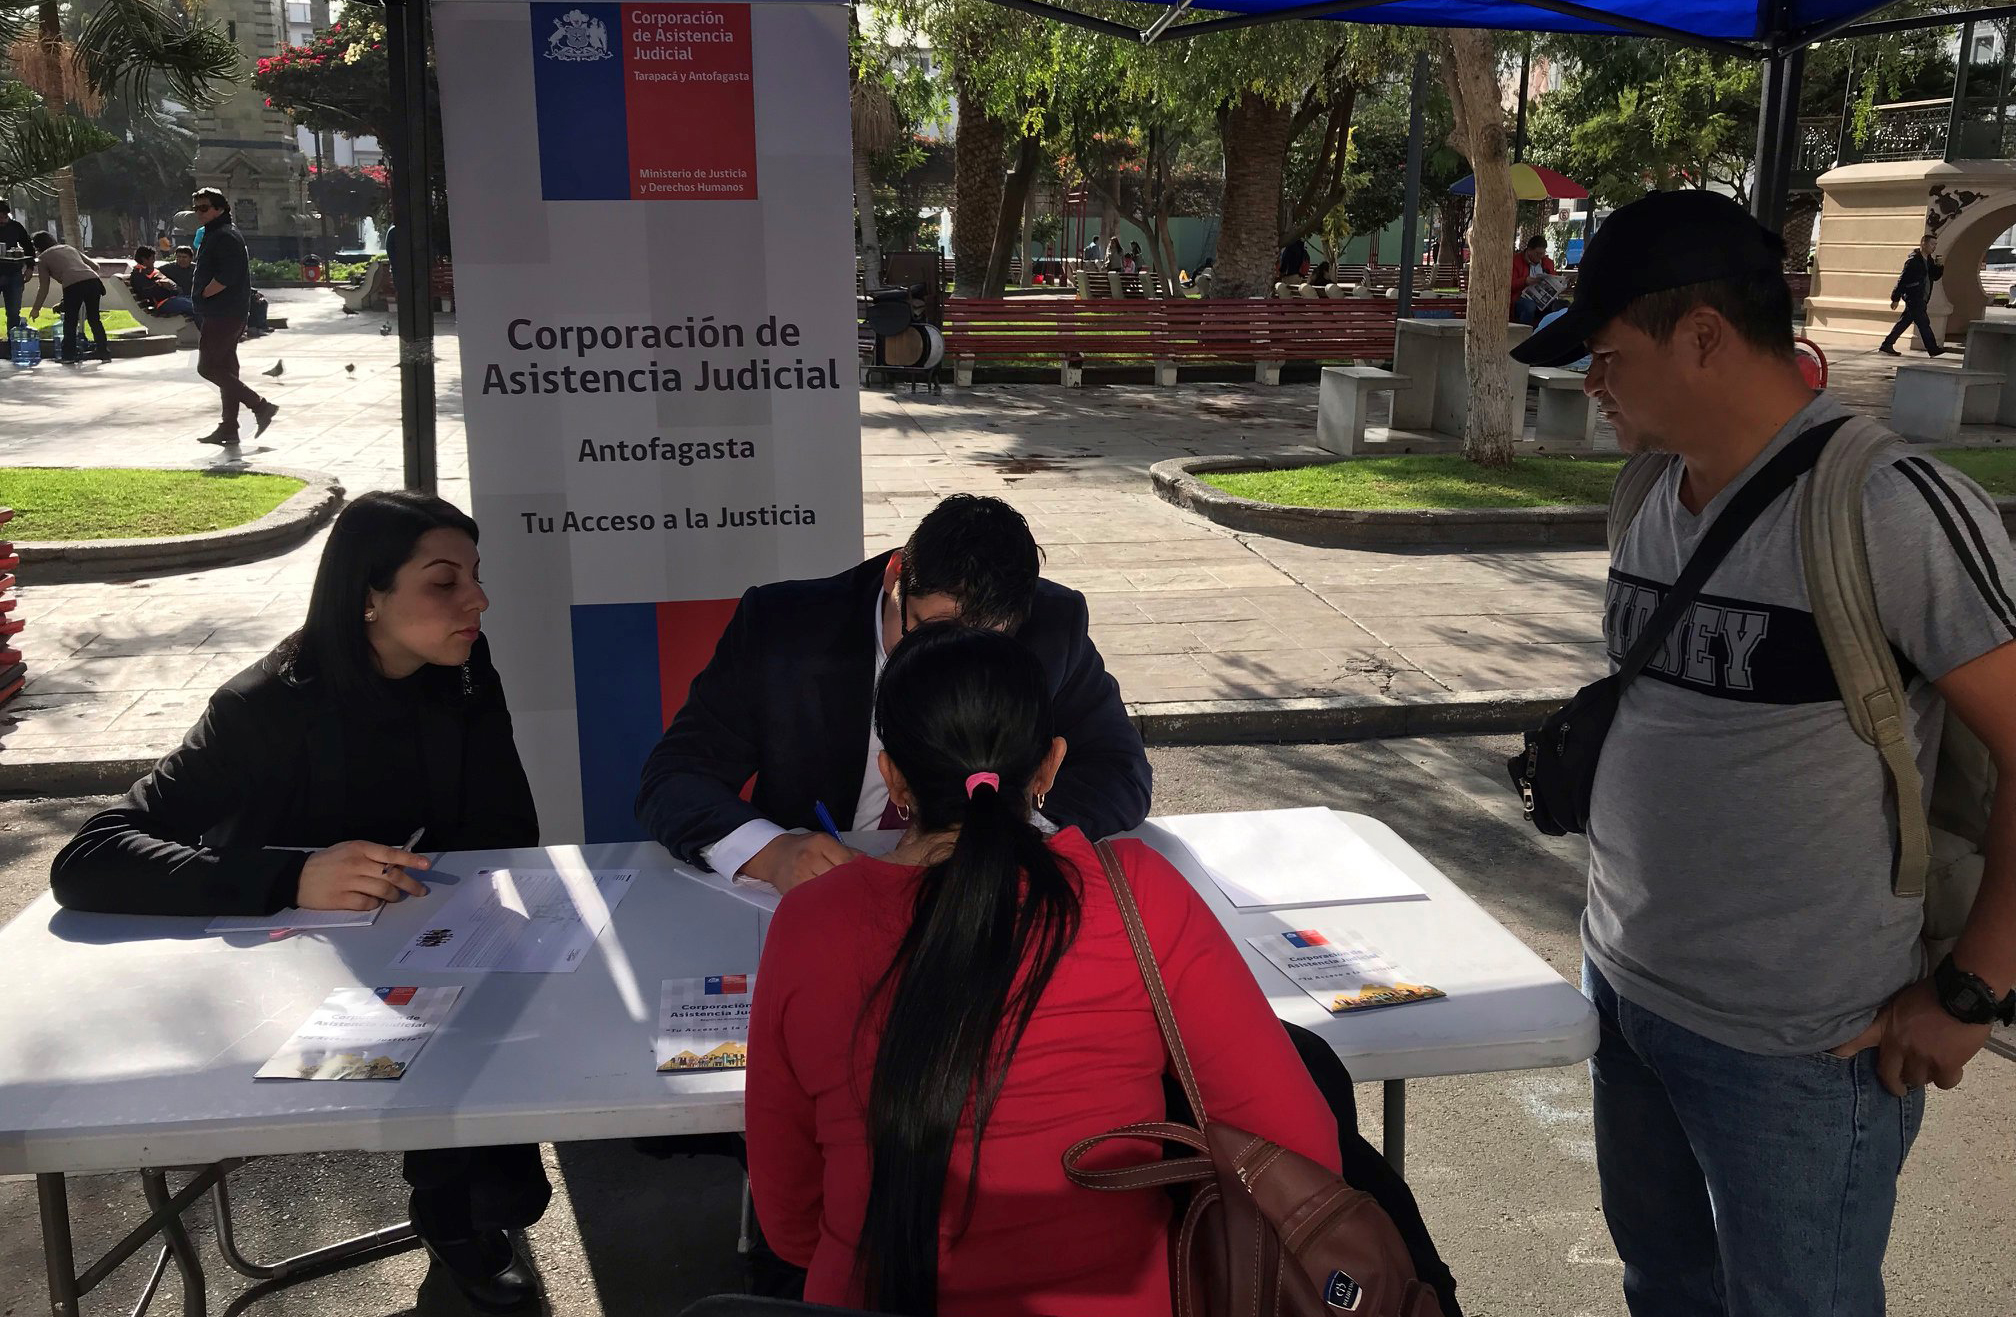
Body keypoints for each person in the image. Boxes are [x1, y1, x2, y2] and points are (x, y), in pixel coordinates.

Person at [1512, 188, 2016, 1317]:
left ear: (1700, 337)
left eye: (1603, 354)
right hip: (1628, 990)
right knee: (1667, 1287)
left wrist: (1973, 992)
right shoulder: (1648, 485)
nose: (1591, 384)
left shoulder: (1884, 507)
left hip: (1806, 1047)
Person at [49, 490, 553, 1314]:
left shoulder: (462, 667)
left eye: (476, 576)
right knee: (454, 1039)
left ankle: (468, 1209)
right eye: (443, 582)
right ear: (367, 597)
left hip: (422, 958)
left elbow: (505, 825)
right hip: (272, 989)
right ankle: (456, 1219)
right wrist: (290, 877)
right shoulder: (261, 707)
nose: (478, 599)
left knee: (503, 1008)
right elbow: (90, 855)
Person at [745, 624, 1342, 1316]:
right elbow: (1302, 1149)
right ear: (1050, 766)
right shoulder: (1136, 892)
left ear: (894, 776)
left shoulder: (808, 922)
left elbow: (789, 1225)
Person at [635, 494, 1152, 896]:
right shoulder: (782, 627)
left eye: (985, 645)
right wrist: (772, 854)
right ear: (895, 575)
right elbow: (674, 779)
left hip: (980, 901)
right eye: (929, 630)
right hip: (823, 894)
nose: (948, 662)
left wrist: (1014, 836)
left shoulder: (1053, 628)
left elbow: (1119, 771)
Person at [187, 188, 278, 446]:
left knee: (207, 367)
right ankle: (229, 427)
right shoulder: (217, 233)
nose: (199, 213)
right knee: (227, 369)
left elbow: (227, 275)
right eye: (196, 208)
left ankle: (260, 406)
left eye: (204, 208)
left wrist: (204, 294)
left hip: (223, 312)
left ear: (220, 209)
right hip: (224, 311)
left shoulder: (224, 235)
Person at [26, 232, 111, 365]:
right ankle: (104, 353)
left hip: (73, 286)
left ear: (37, 247)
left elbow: (44, 287)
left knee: (70, 321)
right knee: (95, 319)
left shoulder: (43, 258)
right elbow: (95, 267)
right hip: (93, 281)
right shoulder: (68, 248)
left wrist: (36, 309)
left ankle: (68, 356)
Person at [1880, 233, 1948, 357]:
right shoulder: (1913, 261)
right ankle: (1932, 349)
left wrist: (1939, 266)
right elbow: (1903, 279)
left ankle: (1887, 344)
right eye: (1932, 244)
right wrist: (1895, 298)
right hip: (1914, 296)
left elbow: (1935, 277)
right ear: (1923, 243)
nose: (1934, 247)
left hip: (1922, 296)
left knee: (1904, 322)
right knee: (1923, 323)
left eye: (1935, 245)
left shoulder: (1929, 260)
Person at [127, 246, 195, 318]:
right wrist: (160, 284)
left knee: (200, 304)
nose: (154, 261)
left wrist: (169, 285)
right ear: (144, 259)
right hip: (164, 303)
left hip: (175, 298)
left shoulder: (149, 271)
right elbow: (146, 292)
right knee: (197, 307)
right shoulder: (138, 274)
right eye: (152, 258)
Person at [1510, 234, 1558, 324]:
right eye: (1537, 253)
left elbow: (1553, 278)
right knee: (1529, 306)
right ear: (1529, 250)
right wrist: (1525, 281)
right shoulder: (1516, 261)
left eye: (1542, 253)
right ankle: (1525, 333)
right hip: (1521, 297)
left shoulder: (1548, 263)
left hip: (1543, 297)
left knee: (1559, 306)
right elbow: (1509, 285)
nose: (1540, 256)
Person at [0, 200, 33, 332]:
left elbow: (28, 246)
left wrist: (30, 267)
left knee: (13, 311)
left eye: (4, 217)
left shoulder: (16, 227)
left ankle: (12, 344)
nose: (1, 220)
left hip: (13, 273)